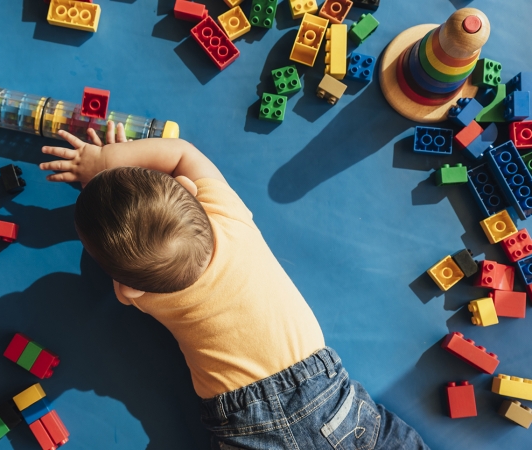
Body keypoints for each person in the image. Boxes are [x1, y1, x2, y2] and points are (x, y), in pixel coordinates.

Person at [39, 121, 430, 450]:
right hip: (328, 398)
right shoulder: (226, 214)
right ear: (191, 190)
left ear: (127, 289)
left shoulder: (140, 294)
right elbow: (181, 154)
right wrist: (108, 161)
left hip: (247, 424)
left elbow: (130, 277)